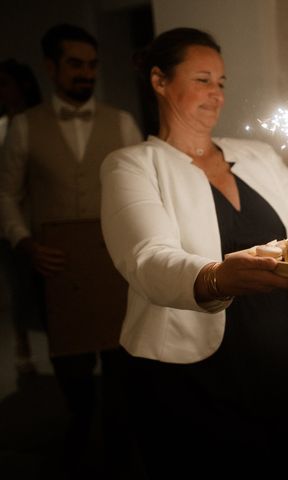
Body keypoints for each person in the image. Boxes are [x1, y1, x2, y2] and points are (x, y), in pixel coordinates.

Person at [100, 27, 288, 479]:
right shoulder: (131, 166)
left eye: (221, 83)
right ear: (159, 80)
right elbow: (148, 260)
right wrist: (218, 278)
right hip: (189, 374)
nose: (216, 95)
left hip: (282, 357)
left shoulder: (257, 155)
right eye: (202, 80)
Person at [0, 24, 142, 478]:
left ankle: (124, 452)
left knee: (124, 371)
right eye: (75, 64)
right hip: (56, 270)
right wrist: (24, 243)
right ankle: (80, 444)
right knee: (74, 376)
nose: (86, 73)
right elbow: (5, 195)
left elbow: (144, 189)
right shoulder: (23, 127)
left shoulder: (121, 122)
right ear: (51, 67)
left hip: (116, 267)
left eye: (92, 64)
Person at [0, 59, 42, 375]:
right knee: (16, 283)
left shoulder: (36, 125)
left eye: (6, 83)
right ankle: (22, 348)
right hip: (11, 220)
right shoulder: (4, 127)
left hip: (40, 216)